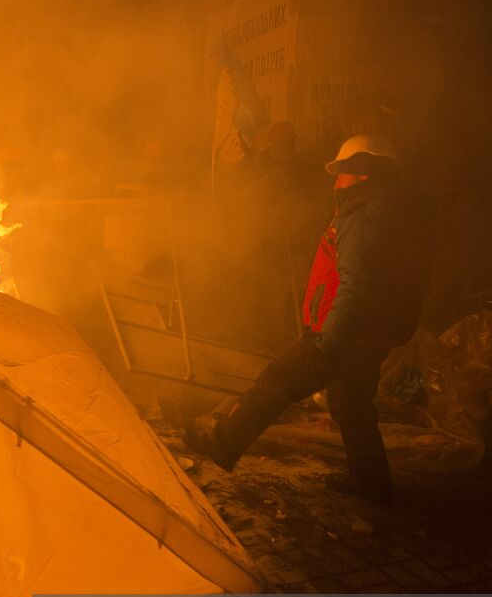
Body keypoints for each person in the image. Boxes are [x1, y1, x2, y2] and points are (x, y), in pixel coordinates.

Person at [185, 134, 433, 502]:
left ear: (363, 172)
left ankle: (223, 444)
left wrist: (328, 340)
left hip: (341, 331)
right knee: (352, 407)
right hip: (367, 334)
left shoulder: (365, 214)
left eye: (342, 173)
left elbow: (356, 283)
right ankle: (371, 482)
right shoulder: (392, 209)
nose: (336, 182)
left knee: (277, 380)